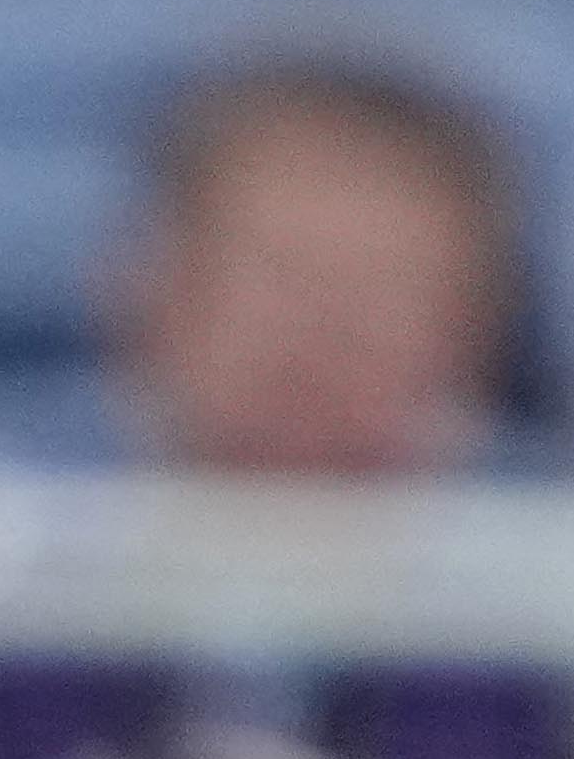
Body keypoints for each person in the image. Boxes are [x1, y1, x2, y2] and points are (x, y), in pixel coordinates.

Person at [97, 61, 534, 493]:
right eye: (279, 280)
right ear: (156, 300)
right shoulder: (40, 512)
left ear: (473, 336)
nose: (316, 349)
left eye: (376, 301)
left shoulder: (544, 535)